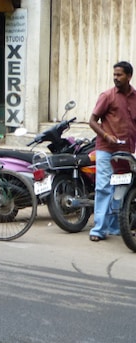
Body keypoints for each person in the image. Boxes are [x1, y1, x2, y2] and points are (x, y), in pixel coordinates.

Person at [88, 61, 136, 242]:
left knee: (121, 188)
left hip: (126, 151)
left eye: (119, 75)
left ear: (129, 76)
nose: (115, 78)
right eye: (114, 74)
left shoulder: (135, 97)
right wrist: (106, 135)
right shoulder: (107, 96)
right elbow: (92, 121)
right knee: (103, 187)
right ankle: (98, 230)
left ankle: (117, 227)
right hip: (106, 150)